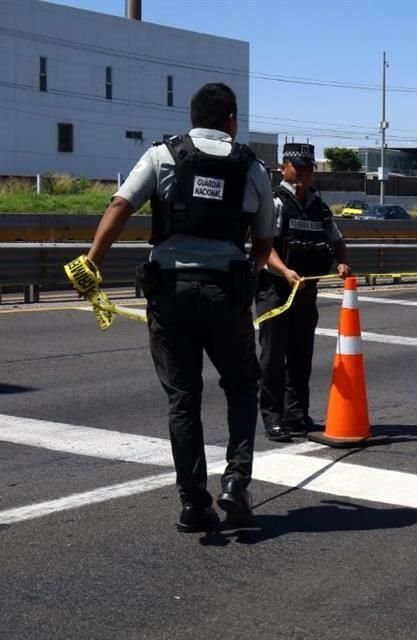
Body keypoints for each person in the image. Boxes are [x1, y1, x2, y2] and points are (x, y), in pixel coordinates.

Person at [82, 83, 276, 533]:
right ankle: (236, 482)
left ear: (193, 117)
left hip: (169, 293)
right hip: (225, 293)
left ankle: (193, 503)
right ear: (231, 119)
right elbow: (264, 243)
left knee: (184, 398)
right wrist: (243, 273)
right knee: (243, 385)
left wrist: (92, 262)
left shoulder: (162, 155)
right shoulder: (252, 167)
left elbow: (120, 204)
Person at [257, 142, 352, 442]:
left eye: (309, 169)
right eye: (297, 168)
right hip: (275, 289)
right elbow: (263, 247)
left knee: (301, 356)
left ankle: (297, 415)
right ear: (283, 168)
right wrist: (284, 271)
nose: (303, 174)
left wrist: (343, 263)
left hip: (306, 291)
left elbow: (336, 240)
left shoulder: (319, 207)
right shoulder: (275, 202)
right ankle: (273, 418)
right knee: (273, 357)